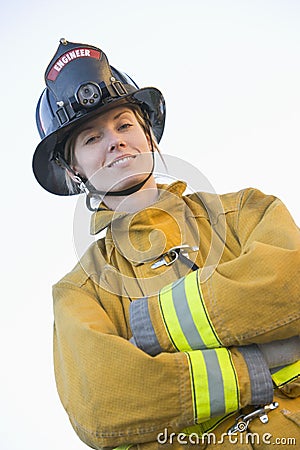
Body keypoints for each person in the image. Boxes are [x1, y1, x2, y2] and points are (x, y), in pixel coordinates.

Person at [33, 38, 300, 450]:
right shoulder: (80, 292)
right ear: (74, 170)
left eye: (124, 125)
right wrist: (253, 367)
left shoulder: (248, 211)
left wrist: (148, 330)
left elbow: (291, 286)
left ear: (148, 136)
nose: (115, 142)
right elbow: (103, 402)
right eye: (90, 139)